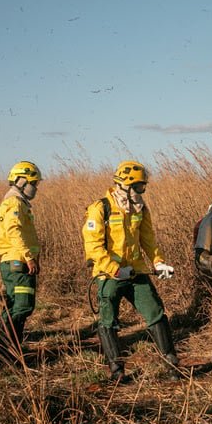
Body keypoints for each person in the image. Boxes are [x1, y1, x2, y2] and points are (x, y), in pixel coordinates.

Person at [82, 160, 178, 380]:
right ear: (123, 185)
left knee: (156, 312)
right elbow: (93, 246)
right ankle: (117, 370)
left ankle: (171, 363)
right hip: (109, 275)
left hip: (136, 273)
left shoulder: (141, 208)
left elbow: (148, 240)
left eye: (143, 187)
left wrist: (158, 262)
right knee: (108, 321)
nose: (141, 191)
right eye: (137, 187)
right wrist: (114, 270)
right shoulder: (100, 208)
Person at [0, 161, 43, 358]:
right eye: (34, 183)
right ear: (22, 182)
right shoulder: (14, 204)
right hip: (17, 262)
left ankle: (9, 348)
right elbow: (14, 232)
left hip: (16, 260)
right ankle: (6, 348)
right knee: (23, 305)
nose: (36, 188)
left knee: (16, 304)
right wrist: (29, 257)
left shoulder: (15, 203)